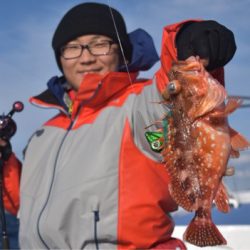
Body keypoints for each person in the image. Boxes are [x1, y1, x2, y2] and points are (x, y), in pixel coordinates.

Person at [0, 2, 236, 249]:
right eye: (72, 48)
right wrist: (6, 161)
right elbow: (29, 206)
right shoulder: (43, 133)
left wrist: (187, 41)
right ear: (60, 58)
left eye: (100, 44)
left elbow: (173, 87)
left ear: (122, 51)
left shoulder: (139, 104)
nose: (87, 57)